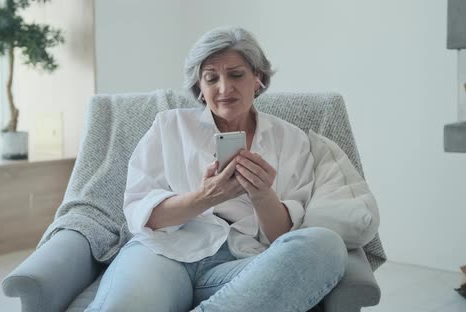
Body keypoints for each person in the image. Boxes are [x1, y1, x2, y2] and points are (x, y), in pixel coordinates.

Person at [85, 27, 347, 312]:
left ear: (257, 78)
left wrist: (262, 196)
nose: (224, 88)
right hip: (163, 254)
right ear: (200, 86)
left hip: (244, 265)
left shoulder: (290, 139)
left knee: (327, 245)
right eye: (212, 78)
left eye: (236, 74)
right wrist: (204, 197)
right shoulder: (169, 126)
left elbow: (282, 237)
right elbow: (142, 216)